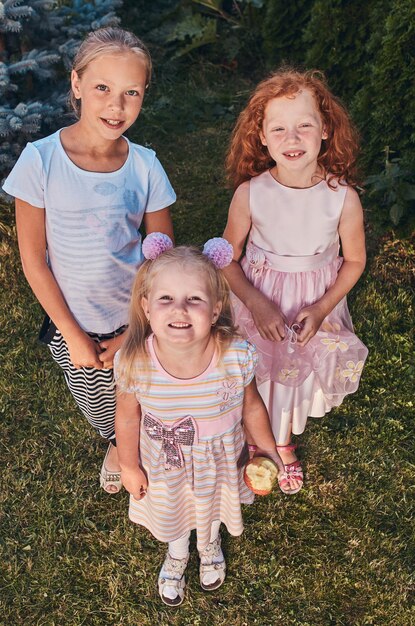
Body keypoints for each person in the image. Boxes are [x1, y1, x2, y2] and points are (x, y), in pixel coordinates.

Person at [3, 27, 175, 494]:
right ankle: (116, 444)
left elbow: (161, 262)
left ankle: (140, 444)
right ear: (76, 84)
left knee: (141, 392)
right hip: (74, 322)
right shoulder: (40, 161)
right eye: (102, 88)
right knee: (99, 404)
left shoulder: (145, 166)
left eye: (131, 93)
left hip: (139, 318)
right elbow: (34, 259)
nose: (116, 107)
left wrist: (136, 329)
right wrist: (74, 335)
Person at [114, 233, 283, 606]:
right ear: (146, 307)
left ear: (216, 306)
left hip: (217, 460)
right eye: (166, 299)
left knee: (211, 508)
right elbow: (127, 417)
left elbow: (251, 406)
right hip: (165, 463)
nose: (180, 309)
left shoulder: (236, 357)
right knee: (174, 511)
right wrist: (128, 465)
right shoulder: (135, 362)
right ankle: (177, 552)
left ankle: (208, 545)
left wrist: (268, 449)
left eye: (194, 299)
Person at [222, 68, 368, 495]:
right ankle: (254, 438)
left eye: (305, 126)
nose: (292, 138)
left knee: (295, 372)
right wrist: (255, 304)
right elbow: (225, 259)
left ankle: (281, 441)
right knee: (257, 369)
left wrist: (322, 309)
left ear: (325, 130)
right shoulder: (251, 193)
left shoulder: (343, 197)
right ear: (262, 137)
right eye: (279, 128)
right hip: (261, 297)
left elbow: (354, 260)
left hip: (312, 300)